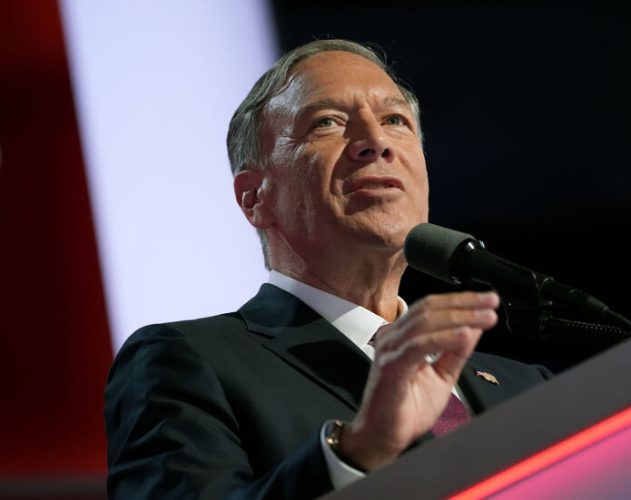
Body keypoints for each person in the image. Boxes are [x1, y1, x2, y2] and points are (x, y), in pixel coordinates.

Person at [104, 39, 551, 499]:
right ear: (254, 197)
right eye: (327, 122)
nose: (376, 142)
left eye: (395, 120)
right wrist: (357, 452)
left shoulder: (527, 387)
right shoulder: (189, 363)